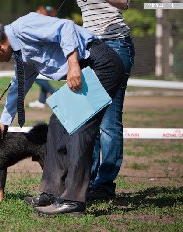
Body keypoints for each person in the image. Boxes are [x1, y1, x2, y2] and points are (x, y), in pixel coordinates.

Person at [0, 13, 125, 214]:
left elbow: (66, 27)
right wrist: (5, 119)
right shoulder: (20, 53)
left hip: (100, 64)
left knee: (78, 126)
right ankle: (52, 192)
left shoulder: (24, 26)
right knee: (57, 125)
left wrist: (73, 64)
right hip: (86, 68)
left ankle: (73, 201)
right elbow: (19, 85)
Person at [75, 0, 135, 201]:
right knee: (90, 118)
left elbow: (124, 3)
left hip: (116, 43)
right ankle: (88, 181)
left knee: (109, 121)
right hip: (91, 46)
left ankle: (104, 186)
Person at [28, 6, 56, 109]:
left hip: (43, 55)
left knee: (36, 76)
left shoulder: (45, 25)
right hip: (42, 54)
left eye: (39, 12)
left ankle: (55, 94)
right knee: (40, 76)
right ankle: (41, 101)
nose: (36, 13)